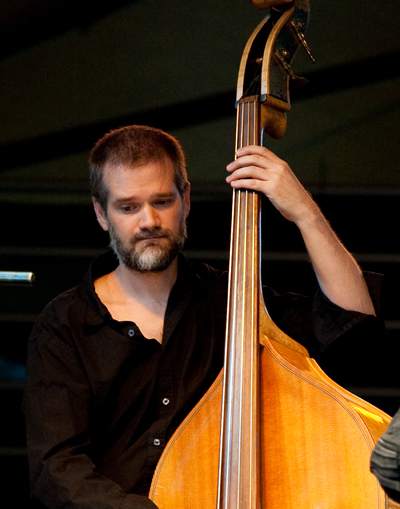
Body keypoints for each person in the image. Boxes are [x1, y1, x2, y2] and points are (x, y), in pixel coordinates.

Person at [24, 125, 382, 508]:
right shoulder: (64, 325)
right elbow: (56, 470)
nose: (148, 221)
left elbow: (354, 336)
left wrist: (305, 213)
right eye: (128, 207)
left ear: (186, 199)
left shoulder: (236, 303)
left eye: (162, 201)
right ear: (101, 213)